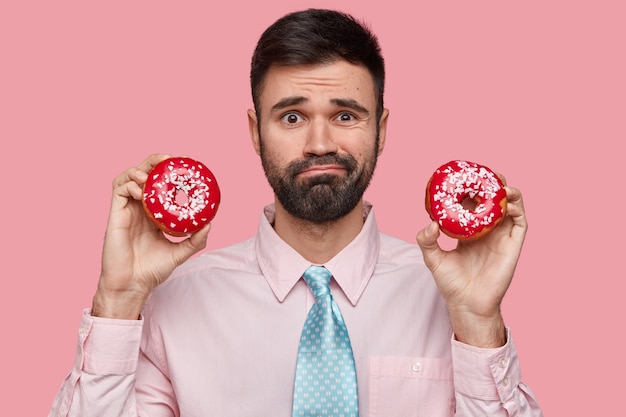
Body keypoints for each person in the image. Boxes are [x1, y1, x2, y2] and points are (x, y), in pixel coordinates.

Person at [49, 8, 543, 417]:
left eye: (345, 115)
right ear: (255, 131)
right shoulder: (173, 303)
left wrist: (479, 325)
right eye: (291, 116)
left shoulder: (449, 295)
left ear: (382, 129)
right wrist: (117, 299)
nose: (320, 143)